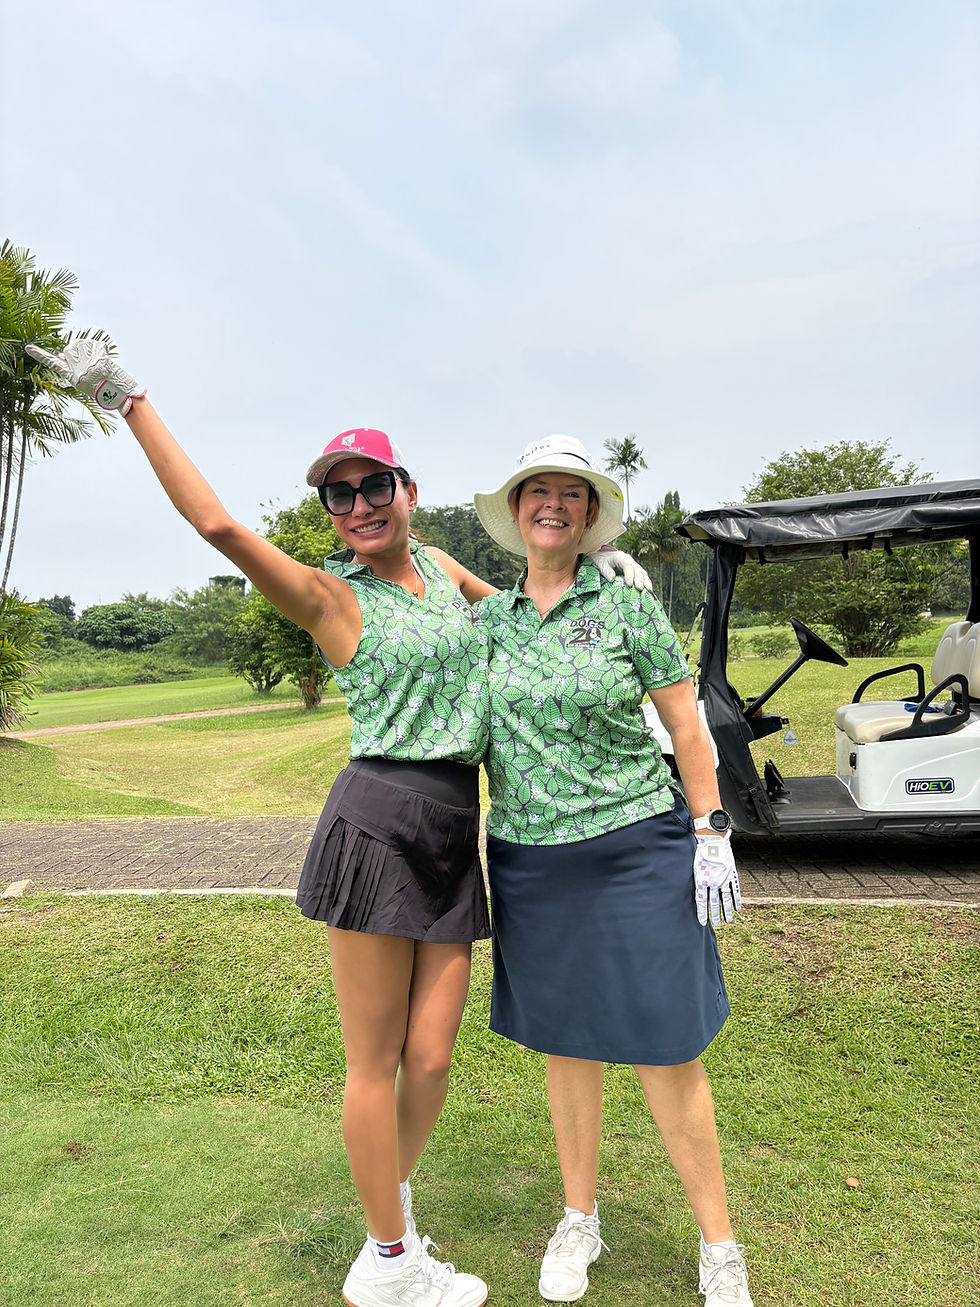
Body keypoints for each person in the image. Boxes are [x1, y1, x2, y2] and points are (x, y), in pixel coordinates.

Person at [28, 342, 647, 1307]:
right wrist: (130, 398)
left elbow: (531, 612)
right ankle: (393, 1258)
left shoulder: (443, 570)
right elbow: (218, 524)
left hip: (455, 827)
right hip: (377, 823)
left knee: (434, 1054)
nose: (357, 505)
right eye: (338, 494)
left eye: (373, 486)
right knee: (377, 1056)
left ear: (409, 490)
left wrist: (602, 570)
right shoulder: (329, 597)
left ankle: (385, 1225)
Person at [473, 435, 753, 1307]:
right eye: (536, 491)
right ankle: (579, 1217)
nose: (552, 504)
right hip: (531, 859)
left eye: (571, 493)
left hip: (638, 848)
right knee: (569, 1042)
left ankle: (720, 1247)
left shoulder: (627, 607)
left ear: (589, 515)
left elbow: (687, 726)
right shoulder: (487, 622)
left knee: (667, 1044)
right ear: (516, 512)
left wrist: (711, 830)